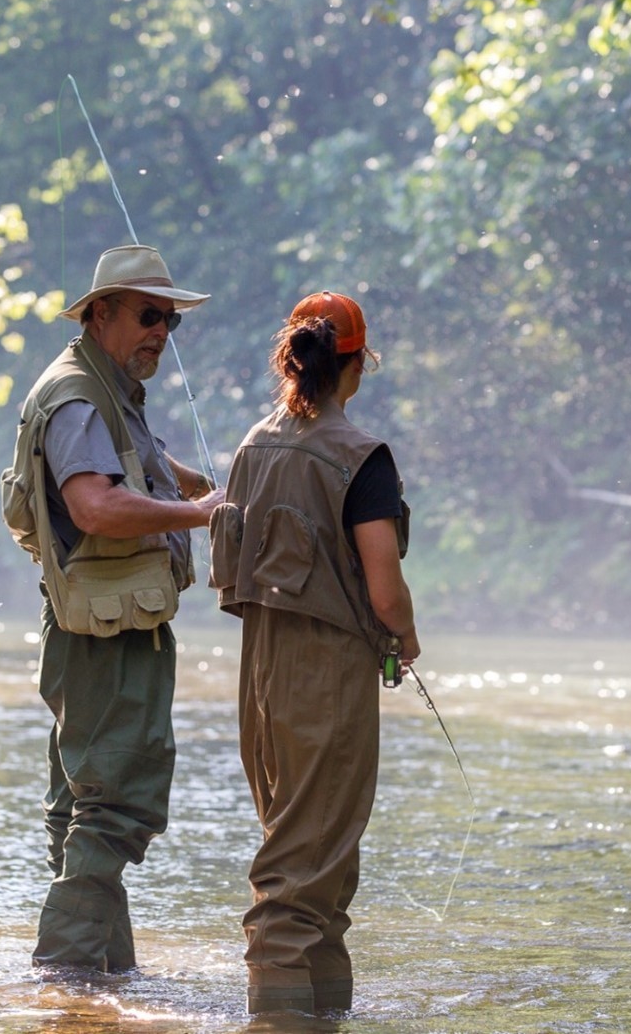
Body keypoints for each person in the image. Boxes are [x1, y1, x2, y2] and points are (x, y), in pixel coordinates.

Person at [1, 244, 225, 976]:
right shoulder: (76, 396)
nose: (162, 331)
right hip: (105, 639)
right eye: (149, 315)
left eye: (171, 321)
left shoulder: (103, 389)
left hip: (92, 632)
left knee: (83, 807)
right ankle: (64, 978)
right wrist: (205, 516)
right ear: (100, 314)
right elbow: (93, 503)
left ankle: (103, 978)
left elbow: (143, 459)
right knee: (113, 805)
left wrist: (211, 483)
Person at [208, 290, 420, 1015]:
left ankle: (324, 1014)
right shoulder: (361, 457)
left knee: (319, 852)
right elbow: (385, 589)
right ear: (357, 363)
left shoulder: (251, 445)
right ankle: (276, 1013)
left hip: (260, 672)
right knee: (303, 870)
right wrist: (407, 638)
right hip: (328, 669)